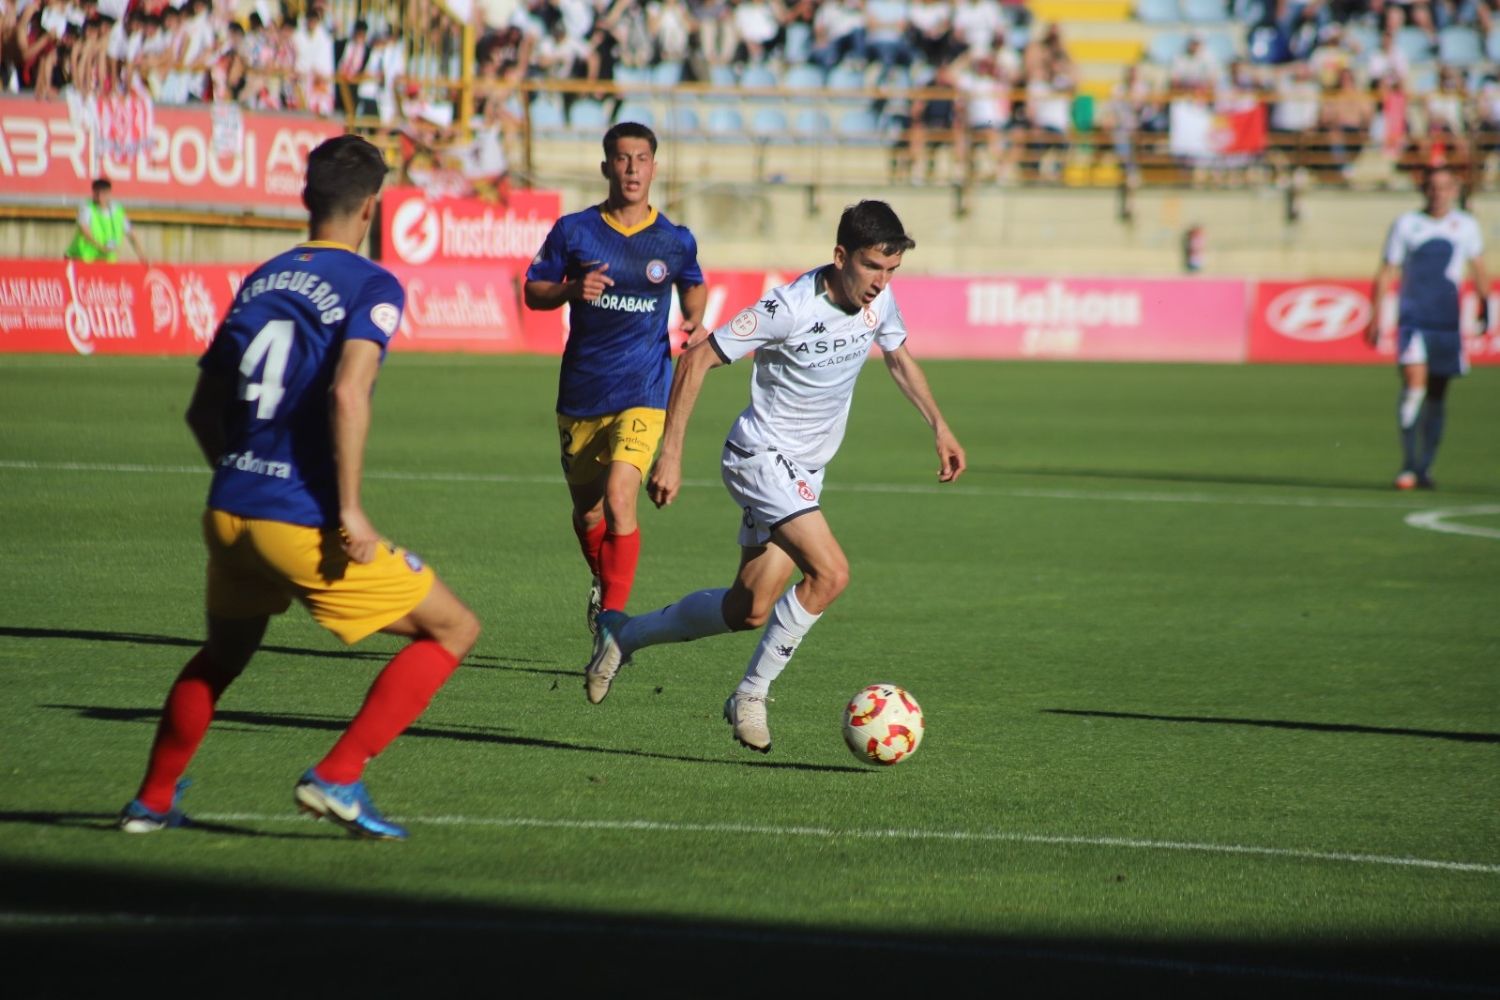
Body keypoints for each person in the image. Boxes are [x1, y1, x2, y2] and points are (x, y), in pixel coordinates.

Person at [117, 135, 481, 840]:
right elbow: (349, 391)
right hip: (297, 518)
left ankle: (151, 801)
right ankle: (339, 775)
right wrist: (348, 509)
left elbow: (202, 411)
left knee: (221, 657)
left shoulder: (262, 278)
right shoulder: (372, 284)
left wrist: (243, 478)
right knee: (453, 628)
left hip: (229, 509)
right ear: (371, 207)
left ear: (306, 199)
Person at [583, 200, 966, 753]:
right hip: (759, 456)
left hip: (804, 472)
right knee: (830, 574)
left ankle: (625, 634)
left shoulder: (878, 300)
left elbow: (898, 358)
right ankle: (751, 695)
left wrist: (940, 427)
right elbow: (695, 359)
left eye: (891, 270)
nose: (881, 282)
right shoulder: (787, 307)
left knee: (749, 609)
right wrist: (671, 453)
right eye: (872, 267)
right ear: (841, 256)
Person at [524, 122, 707, 636]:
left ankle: (612, 632)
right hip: (582, 392)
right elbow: (533, 291)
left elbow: (694, 283)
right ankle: (604, 585)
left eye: (641, 158)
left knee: (622, 498)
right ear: (606, 166)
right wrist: (570, 290)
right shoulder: (574, 231)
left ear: (654, 167)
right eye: (623, 159)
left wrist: (694, 318)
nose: (632, 168)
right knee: (589, 515)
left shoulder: (674, 239)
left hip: (644, 389)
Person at [1365, 164, 1491, 490]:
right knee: (1413, 386)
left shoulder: (1466, 225)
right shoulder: (1407, 224)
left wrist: (1485, 303)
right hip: (1414, 320)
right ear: (1424, 190)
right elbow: (1387, 269)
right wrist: (1376, 315)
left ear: (1455, 191)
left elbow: (1478, 267)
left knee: (1436, 395)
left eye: (1445, 187)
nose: (1438, 193)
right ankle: (1408, 464)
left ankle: (1425, 466)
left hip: (1447, 323)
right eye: (1433, 187)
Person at [65, 178, 149, 265]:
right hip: (81, 259)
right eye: (97, 194)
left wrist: (142, 256)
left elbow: (132, 235)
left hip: (106, 261)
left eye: (103, 194)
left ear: (109, 193)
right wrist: (101, 247)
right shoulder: (86, 207)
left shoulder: (118, 211)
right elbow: (85, 231)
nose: (100, 197)